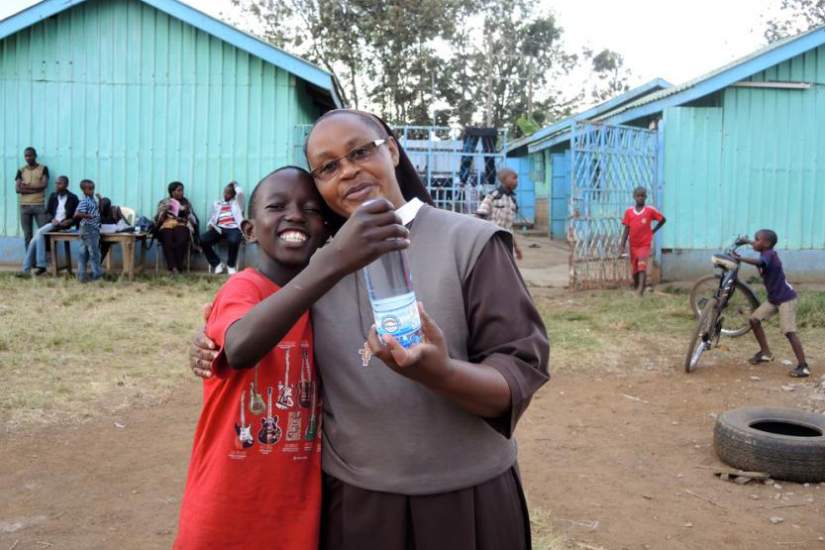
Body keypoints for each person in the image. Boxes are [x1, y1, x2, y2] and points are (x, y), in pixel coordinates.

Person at [190, 109, 550, 550]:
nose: (348, 171)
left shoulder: (472, 243)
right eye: (328, 167)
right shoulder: (315, 266)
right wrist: (207, 342)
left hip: (467, 499)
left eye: (360, 152)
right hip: (355, 505)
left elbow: (519, 373)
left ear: (392, 150)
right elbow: (252, 322)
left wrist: (441, 374)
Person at [733, 229, 810, 378]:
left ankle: (803, 366)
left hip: (786, 299)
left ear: (766, 243)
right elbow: (758, 249)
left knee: (789, 332)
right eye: (754, 239)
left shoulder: (769, 255)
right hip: (774, 299)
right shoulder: (766, 250)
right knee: (754, 320)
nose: (754, 242)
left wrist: (740, 259)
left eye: (757, 240)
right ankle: (765, 353)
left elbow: (761, 262)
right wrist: (746, 242)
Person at [18, 175, 78, 277]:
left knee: (38, 233)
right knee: (35, 239)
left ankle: (38, 266)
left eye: (60, 183)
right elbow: (47, 213)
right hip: (54, 224)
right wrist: (52, 219)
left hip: (64, 225)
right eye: (56, 183)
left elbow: (76, 216)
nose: (57, 185)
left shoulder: (73, 198)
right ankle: (28, 269)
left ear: (66, 185)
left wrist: (69, 221)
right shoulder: (53, 196)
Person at [621, 186, 666, 296]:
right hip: (633, 244)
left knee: (642, 264)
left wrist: (653, 231)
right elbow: (626, 228)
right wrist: (622, 243)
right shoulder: (629, 212)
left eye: (642, 196)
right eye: (638, 196)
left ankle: (641, 290)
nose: (640, 198)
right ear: (634, 197)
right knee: (635, 267)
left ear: (645, 197)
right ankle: (637, 286)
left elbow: (662, 220)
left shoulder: (650, 210)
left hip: (644, 244)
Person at [476, 167, 523, 260]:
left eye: (517, 178)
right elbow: (479, 216)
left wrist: (516, 248)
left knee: (507, 268)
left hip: (507, 242)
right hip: (492, 240)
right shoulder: (493, 196)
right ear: (505, 179)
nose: (516, 181)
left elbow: (509, 228)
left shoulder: (512, 200)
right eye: (514, 178)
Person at [200, 181, 245, 275]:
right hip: (219, 228)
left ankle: (231, 265)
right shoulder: (217, 203)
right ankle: (217, 264)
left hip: (233, 228)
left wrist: (235, 184)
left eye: (228, 193)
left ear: (233, 194)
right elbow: (212, 217)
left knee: (234, 240)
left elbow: (240, 193)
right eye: (225, 192)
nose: (226, 195)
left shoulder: (237, 203)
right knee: (203, 239)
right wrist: (211, 224)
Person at [155, 181, 198, 274]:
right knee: (167, 240)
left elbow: (193, 219)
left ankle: (178, 266)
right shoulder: (164, 202)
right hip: (167, 223)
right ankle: (173, 267)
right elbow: (158, 218)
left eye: (182, 190)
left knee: (181, 240)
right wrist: (164, 211)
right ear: (172, 192)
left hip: (181, 223)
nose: (181, 192)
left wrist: (187, 212)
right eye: (179, 190)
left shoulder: (186, 202)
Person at [14, 146, 50, 250]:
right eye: (26, 156)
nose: (28, 158)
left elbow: (44, 185)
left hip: (39, 205)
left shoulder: (43, 169)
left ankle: (42, 259)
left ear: (35, 156)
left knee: (43, 232)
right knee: (27, 235)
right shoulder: (21, 170)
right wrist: (36, 189)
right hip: (24, 206)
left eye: (30, 155)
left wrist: (27, 187)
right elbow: (17, 189)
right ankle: (30, 260)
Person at [74, 179, 102, 282]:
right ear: (83, 190)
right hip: (89, 228)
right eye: (89, 189)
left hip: (90, 228)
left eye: (93, 188)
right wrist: (88, 216)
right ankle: (97, 276)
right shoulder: (85, 201)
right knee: (94, 253)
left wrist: (100, 199)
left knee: (83, 252)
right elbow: (76, 214)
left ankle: (81, 276)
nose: (92, 190)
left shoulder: (92, 200)